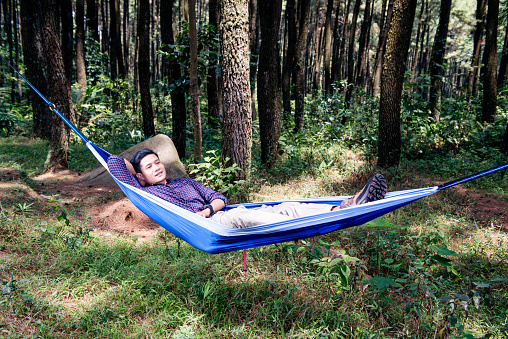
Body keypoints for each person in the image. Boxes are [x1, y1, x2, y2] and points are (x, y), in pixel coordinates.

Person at [107, 148, 387, 229]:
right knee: (253, 217)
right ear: (140, 177)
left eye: (157, 162)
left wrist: (206, 210)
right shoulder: (147, 193)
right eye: (149, 167)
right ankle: (319, 221)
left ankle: (340, 208)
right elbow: (116, 163)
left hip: (216, 215)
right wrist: (138, 173)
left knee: (287, 206)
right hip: (211, 227)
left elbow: (219, 197)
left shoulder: (184, 181)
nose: (157, 167)